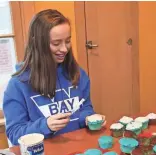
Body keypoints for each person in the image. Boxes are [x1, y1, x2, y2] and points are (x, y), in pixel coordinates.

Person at [3, 9, 105, 145]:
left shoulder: (77, 73)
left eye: (68, 41)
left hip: (78, 150)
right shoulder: (18, 84)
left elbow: (85, 109)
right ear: (38, 44)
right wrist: (45, 126)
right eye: (56, 43)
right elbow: (15, 134)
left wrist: (88, 118)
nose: (64, 49)